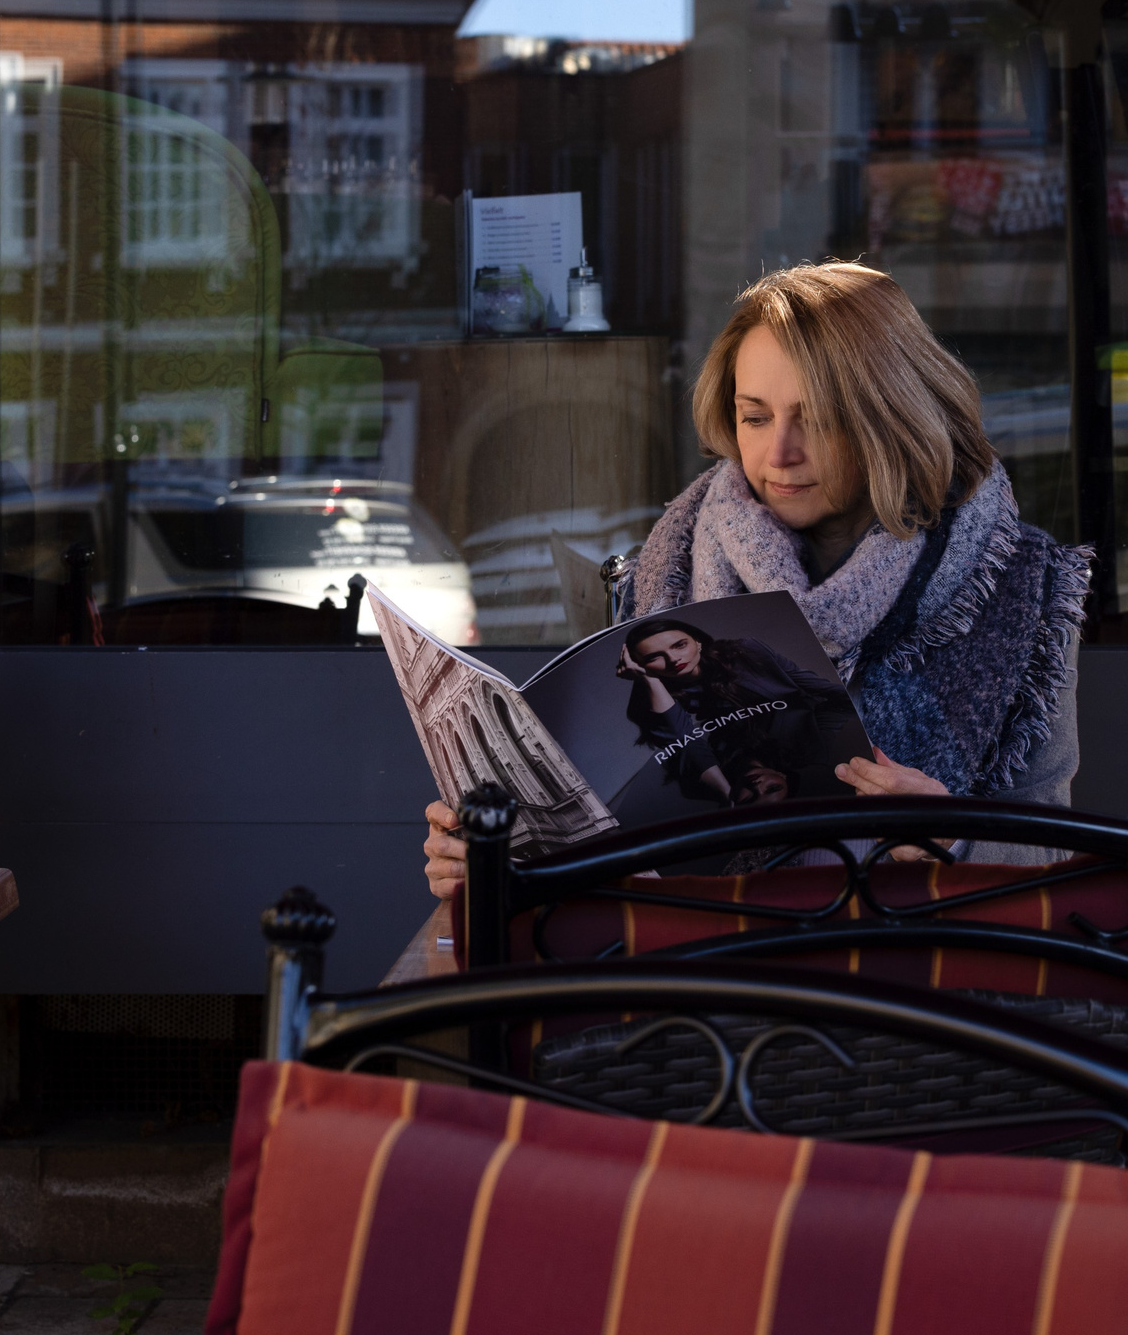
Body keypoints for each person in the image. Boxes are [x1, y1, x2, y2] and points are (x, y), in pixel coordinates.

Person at [424, 259, 1088, 896]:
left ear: (892, 417)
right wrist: (493, 856)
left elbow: (1051, 854)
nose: (780, 454)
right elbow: (608, 838)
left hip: (903, 981)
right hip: (709, 976)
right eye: (755, 416)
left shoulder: (1018, 587)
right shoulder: (664, 573)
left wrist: (956, 833)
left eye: (818, 418)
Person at [615, 618, 861, 805]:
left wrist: (650, 680)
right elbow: (824, 694)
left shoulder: (700, 780)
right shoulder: (808, 746)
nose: (672, 659)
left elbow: (686, 743)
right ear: (784, 777)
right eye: (772, 789)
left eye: (679, 645)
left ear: (697, 642)